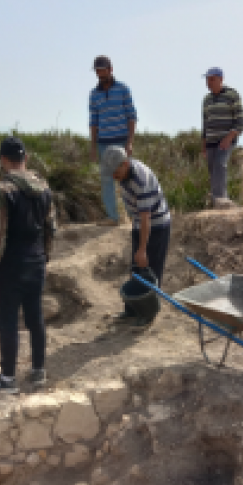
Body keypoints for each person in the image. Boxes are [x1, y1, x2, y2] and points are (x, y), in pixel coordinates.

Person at [0, 136, 57, 394]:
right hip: (36, 260)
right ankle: (38, 371)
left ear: (3, 160)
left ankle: (8, 379)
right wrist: (45, 257)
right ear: (26, 158)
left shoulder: (2, 190)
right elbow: (50, 228)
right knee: (35, 317)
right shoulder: (44, 187)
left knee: (8, 320)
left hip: (10, 264)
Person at [99, 146, 171, 325]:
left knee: (150, 269)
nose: (113, 176)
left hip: (157, 225)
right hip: (141, 223)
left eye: (115, 172)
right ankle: (131, 310)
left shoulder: (140, 179)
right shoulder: (124, 175)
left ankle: (148, 314)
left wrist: (142, 249)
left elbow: (147, 218)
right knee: (135, 269)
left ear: (124, 164)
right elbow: (139, 215)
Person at [88, 55, 137, 226]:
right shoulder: (94, 94)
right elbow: (93, 122)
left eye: (102, 70)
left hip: (122, 140)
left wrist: (130, 142)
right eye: (97, 71)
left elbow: (132, 117)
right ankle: (112, 217)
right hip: (103, 143)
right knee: (106, 178)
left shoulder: (123, 89)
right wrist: (93, 147)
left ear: (110, 69)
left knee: (127, 178)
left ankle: (132, 216)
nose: (100, 74)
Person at [201, 67, 243, 208]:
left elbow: (240, 121)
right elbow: (205, 123)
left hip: (226, 139)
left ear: (221, 79)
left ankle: (220, 200)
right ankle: (219, 200)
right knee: (212, 169)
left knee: (220, 165)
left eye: (212, 79)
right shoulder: (206, 100)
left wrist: (229, 137)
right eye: (207, 80)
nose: (209, 82)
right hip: (210, 141)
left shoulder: (232, 95)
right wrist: (203, 145)